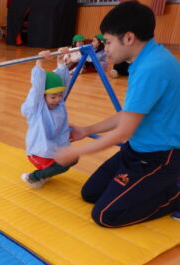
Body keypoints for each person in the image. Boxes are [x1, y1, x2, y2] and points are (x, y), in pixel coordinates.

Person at [54, 1, 180, 226]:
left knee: (106, 216)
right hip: (136, 150)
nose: (107, 49)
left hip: (160, 158)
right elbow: (128, 115)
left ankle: (175, 193)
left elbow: (124, 131)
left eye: (109, 42)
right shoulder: (146, 59)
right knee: (90, 193)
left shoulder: (152, 67)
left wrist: (75, 151)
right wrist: (86, 130)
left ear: (129, 38)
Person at [21, 48, 77, 189]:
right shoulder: (37, 107)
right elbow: (37, 87)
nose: (57, 100)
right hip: (39, 153)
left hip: (53, 149)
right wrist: (39, 61)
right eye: (53, 97)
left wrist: (61, 60)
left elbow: (63, 83)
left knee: (73, 158)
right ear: (43, 95)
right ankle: (33, 177)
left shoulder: (59, 105)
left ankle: (43, 176)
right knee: (65, 163)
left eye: (59, 96)